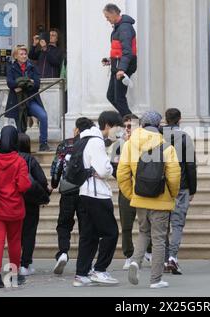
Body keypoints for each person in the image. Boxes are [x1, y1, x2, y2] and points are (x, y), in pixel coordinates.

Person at [118, 111, 181, 289]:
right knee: (159, 238)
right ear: (158, 125)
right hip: (161, 200)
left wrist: (132, 195)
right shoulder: (167, 147)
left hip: (140, 199)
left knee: (144, 233)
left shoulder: (129, 145)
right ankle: (155, 279)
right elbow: (175, 177)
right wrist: (172, 194)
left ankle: (135, 262)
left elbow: (122, 174)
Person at [73, 111, 123, 287]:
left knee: (89, 235)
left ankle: (81, 273)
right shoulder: (96, 142)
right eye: (117, 127)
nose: (119, 132)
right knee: (111, 233)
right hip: (97, 194)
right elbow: (104, 170)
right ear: (108, 125)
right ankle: (100, 270)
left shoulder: (85, 138)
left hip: (84, 192)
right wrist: (108, 169)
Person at [50, 118, 95, 275]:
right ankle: (85, 264)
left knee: (64, 224)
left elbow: (57, 165)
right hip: (85, 190)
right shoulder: (92, 143)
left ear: (76, 129)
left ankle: (63, 252)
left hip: (68, 189)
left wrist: (54, 184)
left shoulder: (66, 144)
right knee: (86, 227)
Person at [0, 126, 31, 289]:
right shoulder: (19, 160)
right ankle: (13, 274)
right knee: (14, 241)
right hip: (14, 208)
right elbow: (23, 185)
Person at [110, 114, 153, 271]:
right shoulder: (118, 146)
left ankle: (148, 251)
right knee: (126, 224)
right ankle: (129, 255)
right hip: (126, 189)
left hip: (144, 189)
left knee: (147, 223)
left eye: (131, 126)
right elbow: (114, 168)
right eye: (125, 126)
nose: (128, 129)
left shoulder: (146, 144)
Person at [162, 108, 197, 275]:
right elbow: (190, 165)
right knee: (177, 224)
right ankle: (172, 258)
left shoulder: (158, 137)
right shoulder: (185, 138)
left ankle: (164, 258)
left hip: (161, 187)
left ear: (166, 119)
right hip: (181, 186)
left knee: (162, 224)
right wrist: (193, 188)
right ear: (180, 119)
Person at [6, 45, 51, 152]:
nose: (24, 56)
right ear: (16, 56)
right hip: (17, 101)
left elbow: (36, 84)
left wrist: (20, 85)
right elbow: (10, 83)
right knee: (20, 128)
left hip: (31, 100)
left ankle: (43, 143)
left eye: (25, 54)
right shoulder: (11, 67)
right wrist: (27, 82)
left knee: (43, 116)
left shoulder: (33, 66)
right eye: (21, 54)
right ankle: (22, 149)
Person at [18, 133, 51, 276]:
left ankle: (15, 262)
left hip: (12, 200)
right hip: (30, 201)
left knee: (15, 234)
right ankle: (25, 264)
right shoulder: (30, 159)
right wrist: (45, 192)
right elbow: (42, 180)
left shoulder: (9, 158)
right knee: (29, 233)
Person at [102, 4, 137, 117]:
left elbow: (127, 51)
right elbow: (118, 50)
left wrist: (122, 69)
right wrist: (110, 60)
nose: (107, 20)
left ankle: (133, 123)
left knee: (119, 98)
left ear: (114, 13)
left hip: (122, 68)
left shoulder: (124, 28)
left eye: (107, 17)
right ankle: (129, 120)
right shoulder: (119, 27)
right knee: (111, 96)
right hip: (117, 66)